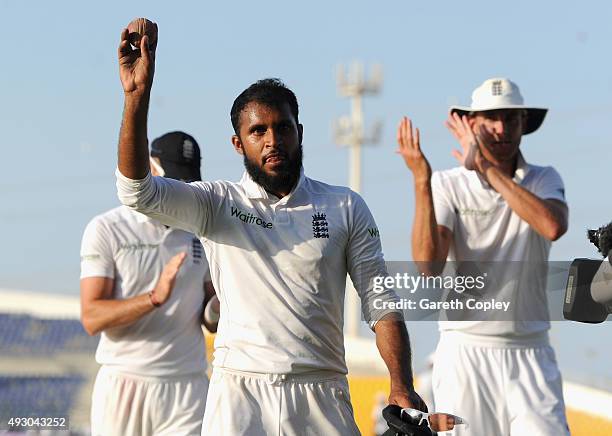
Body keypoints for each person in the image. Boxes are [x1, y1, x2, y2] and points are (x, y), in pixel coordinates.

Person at [115, 18, 426, 435]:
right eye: (258, 130)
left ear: (299, 132)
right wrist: (137, 96)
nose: (272, 139)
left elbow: (380, 300)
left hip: (321, 392)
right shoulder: (217, 202)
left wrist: (400, 384)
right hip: (240, 396)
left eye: (282, 128)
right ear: (238, 143)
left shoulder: (345, 206)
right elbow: (138, 192)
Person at [397, 77, 570, 435]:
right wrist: (421, 181)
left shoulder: (543, 179)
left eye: (510, 118)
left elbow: (552, 226)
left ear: (524, 123)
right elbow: (428, 266)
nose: (501, 128)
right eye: (491, 118)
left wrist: (486, 170)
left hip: (531, 351)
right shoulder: (448, 183)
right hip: (465, 351)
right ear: (472, 124)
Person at [80, 131, 219, 436]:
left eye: (187, 182)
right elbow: (91, 318)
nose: (181, 191)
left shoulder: (203, 229)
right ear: (151, 169)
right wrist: (153, 298)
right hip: (124, 385)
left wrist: (223, 306)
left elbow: (211, 320)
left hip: (188, 386)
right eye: (174, 180)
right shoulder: (107, 229)